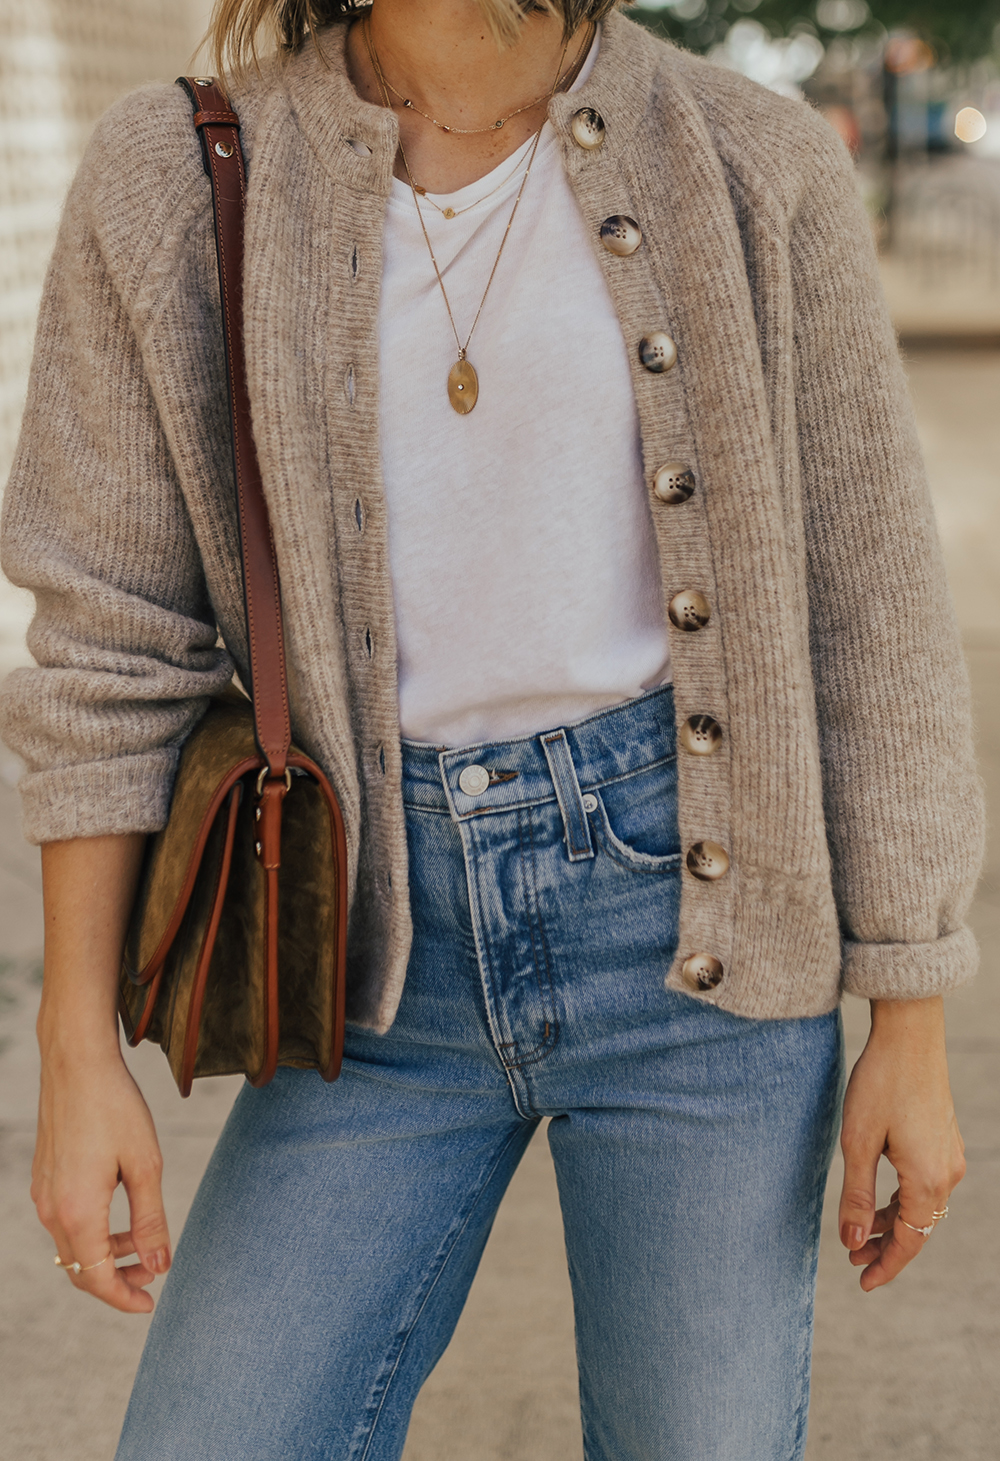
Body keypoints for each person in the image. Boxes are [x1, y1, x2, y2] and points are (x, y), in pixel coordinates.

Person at [0, 0, 983, 1456]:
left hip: (704, 957)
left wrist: (910, 1013)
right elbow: (106, 637)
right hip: (375, 970)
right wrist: (74, 1047)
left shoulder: (753, 160)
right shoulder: (180, 169)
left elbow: (875, 609)